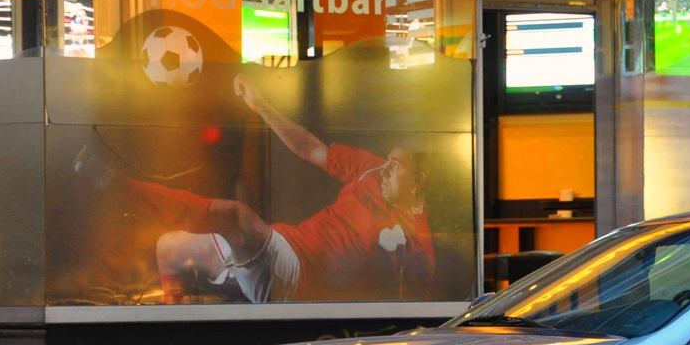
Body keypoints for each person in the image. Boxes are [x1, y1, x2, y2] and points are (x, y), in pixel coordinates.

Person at [76, 74, 434, 303]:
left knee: (235, 216)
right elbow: (310, 148)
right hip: (277, 248)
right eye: (389, 159)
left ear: (419, 181)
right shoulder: (371, 168)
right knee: (168, 247)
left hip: (297, 281)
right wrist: (260, 104)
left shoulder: (417, 237)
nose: (386, 168)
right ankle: (179, 315)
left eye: (398, 166)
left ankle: (113, 185)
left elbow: (412, 300)